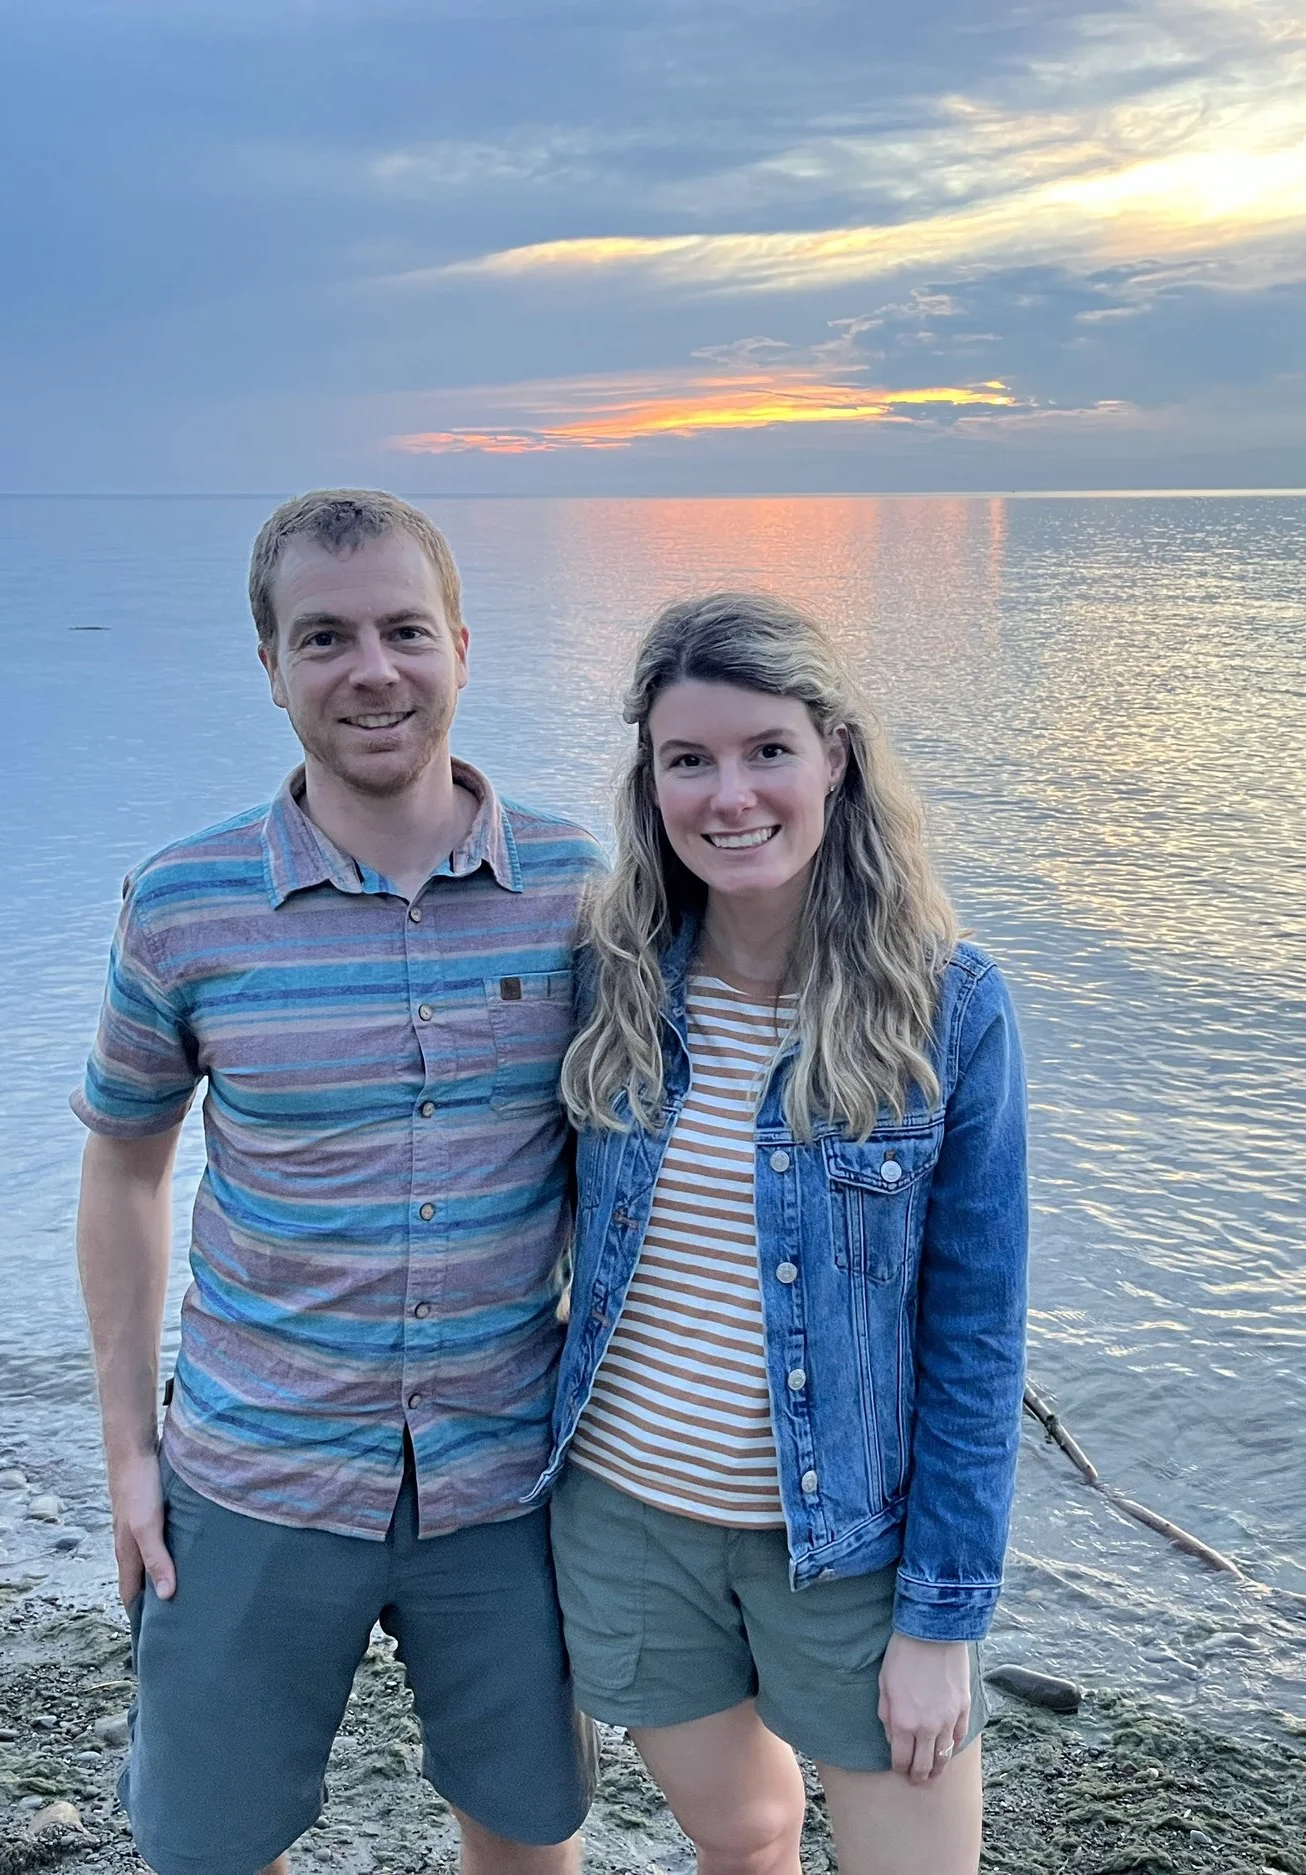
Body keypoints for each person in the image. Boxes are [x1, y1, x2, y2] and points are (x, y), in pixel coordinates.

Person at [71, 490, 600, 1875]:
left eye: (404, 630)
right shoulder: (183, 903)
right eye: (325, 637)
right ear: (271, 667)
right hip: (254, 1467)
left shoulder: (579, 891)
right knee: (207, 1845)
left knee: (530, 1831)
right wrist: (128, 1454)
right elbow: (124, 1169)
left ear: (461, 648)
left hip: (505, 1476)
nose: (373, 670)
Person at [537, 592, 1029, 1875]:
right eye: (687, 760)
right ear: (648, 781)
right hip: (624, 1520)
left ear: (836, 759)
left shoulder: (946, 1009)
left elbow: (977, 1340)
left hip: (850, 1548)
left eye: (767, 751)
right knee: (744, 1831)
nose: (730, 795)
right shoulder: (607, 976)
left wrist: (941, 1623)